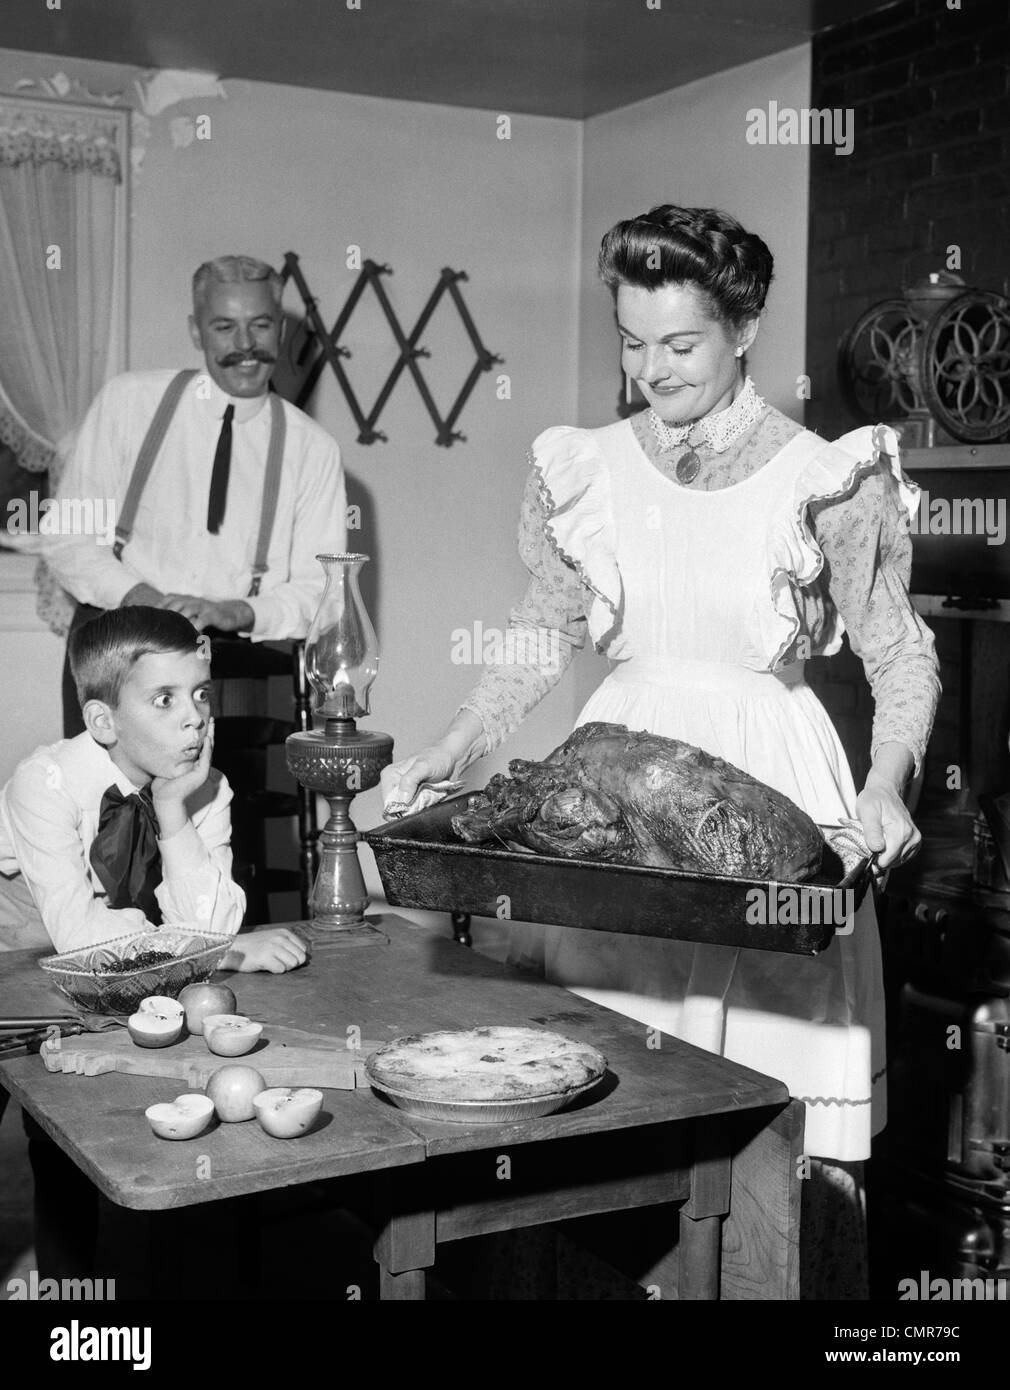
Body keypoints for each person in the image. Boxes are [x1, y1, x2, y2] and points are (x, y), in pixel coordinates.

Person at [381, 204, 941, 1299]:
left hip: (768, 792)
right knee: (605, 1085)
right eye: (630, 343)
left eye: (677, 344)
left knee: (764, 1091)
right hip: (612, 787)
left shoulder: (824, 476)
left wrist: (884, 784)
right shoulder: (588, 466)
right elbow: (539, 632)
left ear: (742, 329)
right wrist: (456, 739)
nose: (649, 370)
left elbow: (902, 654)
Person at [43, 254, 347, 736]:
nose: (245, 345)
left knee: (222, 809)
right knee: (104, 808)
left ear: (281, 331)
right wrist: (142, 597)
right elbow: (66, 540)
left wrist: (236, 611)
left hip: (232, 663)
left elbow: (323, 593)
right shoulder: (127, 402)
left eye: (261, 325)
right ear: (195, 331)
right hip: (113, 649)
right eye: (224, 327)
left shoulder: (314, 450)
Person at [0, 604, 307, 970]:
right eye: (165, 700)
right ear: (103, 721)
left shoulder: (207, 788)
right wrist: (225, 953)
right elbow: (80, 941)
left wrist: (172, 810)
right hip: (19, 963)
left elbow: (211, 928)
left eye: (202, 694)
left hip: (133, 968)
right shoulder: (44, 785)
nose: (195, 718)